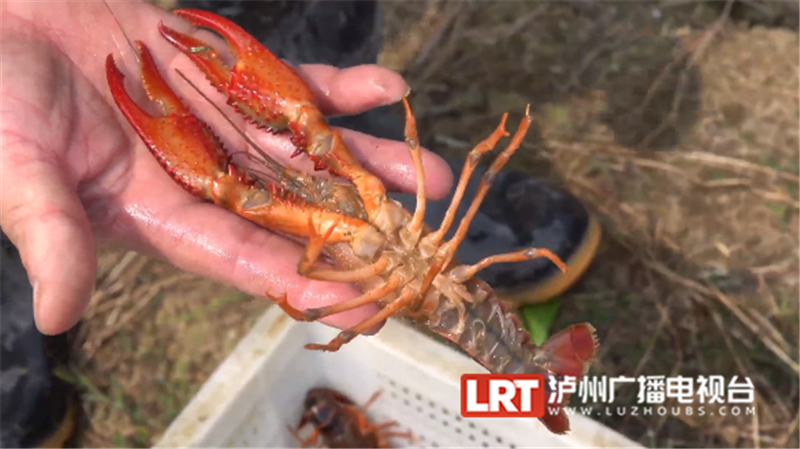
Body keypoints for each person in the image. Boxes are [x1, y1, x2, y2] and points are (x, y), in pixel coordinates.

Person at [0, 1, 600, 447]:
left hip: (483, 326)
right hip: (435, 267)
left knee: (290, 154)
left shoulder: (347, 230)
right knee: (261, 177)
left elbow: (299, 266)